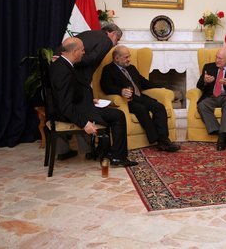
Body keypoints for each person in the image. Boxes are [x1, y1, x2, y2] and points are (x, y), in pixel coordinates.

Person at [50, 37, 137, 167]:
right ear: (74, 52)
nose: (84, 53)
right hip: (75, 111)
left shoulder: (63, 64)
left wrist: (89, 99)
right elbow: (64, 105)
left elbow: (70, 92)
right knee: (118, 116)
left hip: (81, 105)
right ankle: (117, 156)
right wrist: (84, 123)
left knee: (114, 114)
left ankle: (107, 152)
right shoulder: (63, 69)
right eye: (82, 50)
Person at [56, 23, 123, 160]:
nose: (116, 43)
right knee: (112, 115)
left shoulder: (89, 33)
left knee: (70, 103)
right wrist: (72, 60)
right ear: (111, 33)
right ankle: (95, 152)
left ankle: (64, 151)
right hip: (79, 82)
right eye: (117, 39)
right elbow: (92, 57)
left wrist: (66, 60)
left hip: (71, 89)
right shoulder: (105, 40)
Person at [100, 45, 180, 152]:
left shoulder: (131, 68)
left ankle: (164, 139)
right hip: (126, 101)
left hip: (139, 97)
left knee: (159, 107)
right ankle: (156, 139)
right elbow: (106, 86)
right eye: (126, 57)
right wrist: (120, 91)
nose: (129, 59)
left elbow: (143, 82)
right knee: (141, 109)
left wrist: (161, 87)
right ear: (116, 58)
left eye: (129, 56)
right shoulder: (108, 69)